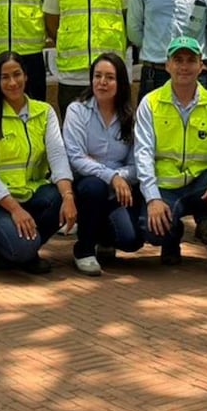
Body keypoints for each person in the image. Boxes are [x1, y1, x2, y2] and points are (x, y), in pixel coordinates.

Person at [134, 36, 207, 279]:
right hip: (166, 187)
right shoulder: (150, 103)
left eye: (190, 60)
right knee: (152, 232)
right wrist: (152, 198)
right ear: (167, 65)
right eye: (178, 60)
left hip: (202, 186)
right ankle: (171, 238)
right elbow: (142, 154)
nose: (184, 66)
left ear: (201, 66)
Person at [0, 52, 76, 273]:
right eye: (4, 77)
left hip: (31, 193)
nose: (12, 82)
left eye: (17, 74)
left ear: (26, 76)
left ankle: (22, 247)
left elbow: (58, 158)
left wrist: (68, 196)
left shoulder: (45, 112)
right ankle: (1, 244)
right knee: (21, 250)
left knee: (57, 197)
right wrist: (15, 210)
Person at [63, 52, 144, 276]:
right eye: (97, 76)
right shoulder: (77, 111)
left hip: (117, 192)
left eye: (109, 77)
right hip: (87, 188)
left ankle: (103, 236)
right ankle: (84, 250)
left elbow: (136, 165)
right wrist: (112, 176)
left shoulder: (129, 116)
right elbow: (76, 158)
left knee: (132, 240)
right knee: (93, 186)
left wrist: (117, 176)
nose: (102, 82)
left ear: (120, 83)